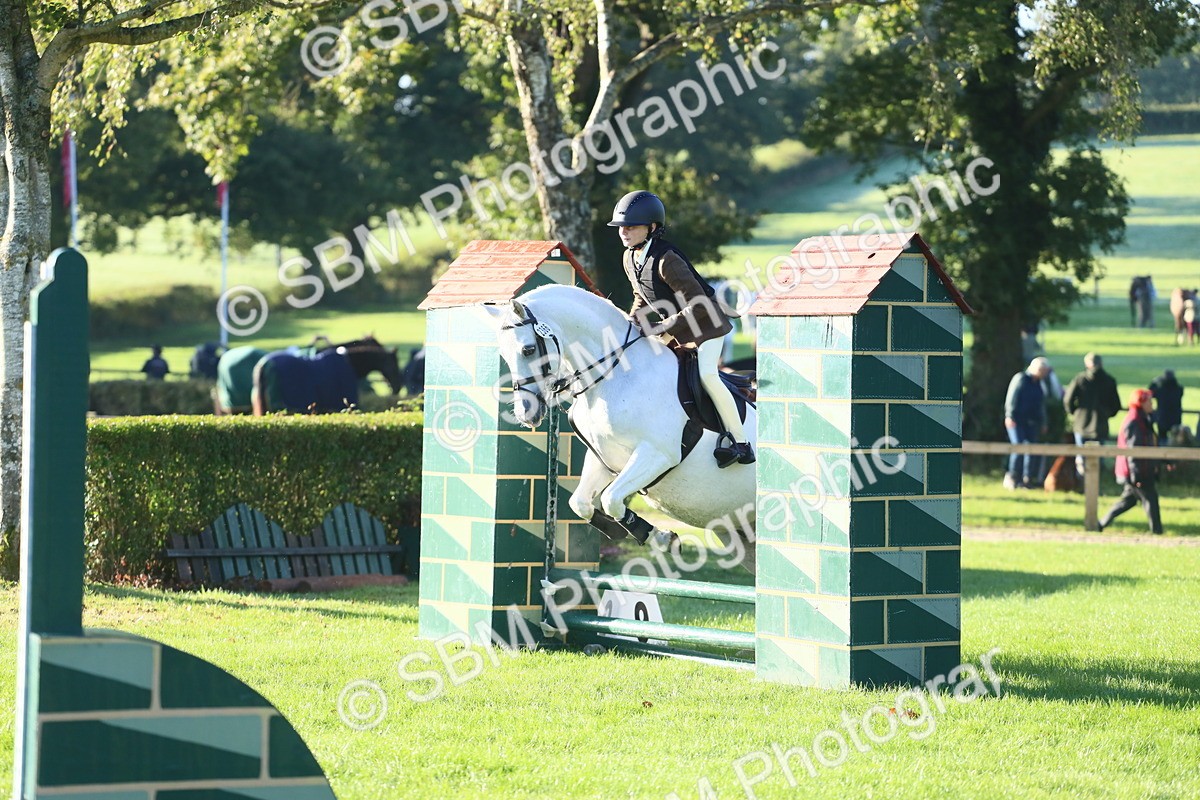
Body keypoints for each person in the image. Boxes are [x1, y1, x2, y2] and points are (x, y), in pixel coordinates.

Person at [610, 190, 752, 468]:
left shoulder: (667, 260)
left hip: (707, 326)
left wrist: (660, 327)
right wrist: (630, 322)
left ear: (652, 228)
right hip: (678, 328)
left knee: (707, 376)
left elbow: (699, 305)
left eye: (631, 227)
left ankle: (741, 442)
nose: (624, 232)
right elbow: (641, 296)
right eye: (621, 227)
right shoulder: (630, 258)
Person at [1099, 389, 1163, 534]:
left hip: (1137, 469)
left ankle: (1100, 524)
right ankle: (1157, 532)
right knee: (1150, 499)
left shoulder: (1143, 419)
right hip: (1136, 470)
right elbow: (1134, 452)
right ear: (1141, 403)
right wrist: (1137, 476)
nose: (1152, 404)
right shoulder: (1135, 422)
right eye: (1149, 401)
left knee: (1128, 501)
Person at [1063, 353, 1121, 477]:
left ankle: (1081, 481)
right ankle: (1097, 481)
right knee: (1099, 456)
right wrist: (1107, 414)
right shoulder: (1109, 380)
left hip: (1081, 423)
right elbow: (1116, 405)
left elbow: (1068, 400)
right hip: (1100, 424)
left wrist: (1074, 412)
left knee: (1081, 456)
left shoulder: (1080, 379)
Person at [1003, 357, 1050, 489]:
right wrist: (1010, 416)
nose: (1044, 374)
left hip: (1031, 422)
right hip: (1016, 420)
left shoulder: (1039, 383)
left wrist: (1043, 422)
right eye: (1042, 371)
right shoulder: (1021, 379)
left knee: (1031, 448)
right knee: (1018, 447)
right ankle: (1012, 476)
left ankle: (1027, 478)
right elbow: (1012, 398)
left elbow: (1041, 405)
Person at [1149, 369, 1184, 444]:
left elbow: (1150, 392)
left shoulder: (1160, 389)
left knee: (1162, 439)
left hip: (1162, 418)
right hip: (1176, 418)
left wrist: (1155, 381)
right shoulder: (1179, 389)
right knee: (1176, 441)